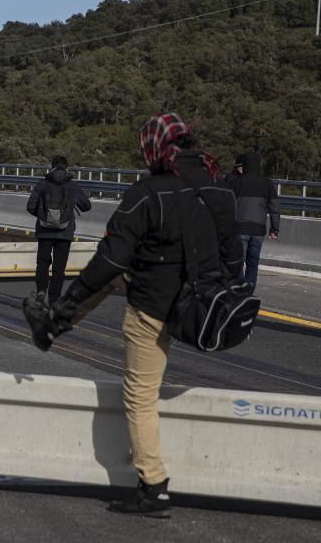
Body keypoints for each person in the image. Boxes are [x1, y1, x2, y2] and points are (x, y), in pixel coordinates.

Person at [23, 113, 242, 518]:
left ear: (154, 148)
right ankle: (55, 324)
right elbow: (233, 257)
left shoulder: (148, 192)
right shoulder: (221, 189)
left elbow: (108, 260)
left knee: (140, 395)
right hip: (202, 306)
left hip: (154, 307)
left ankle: (153, 487)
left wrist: (71, 298)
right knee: (115, 279)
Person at [26, 155, 92, 304]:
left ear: (52, 167)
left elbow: (30, 206)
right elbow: (87, 206)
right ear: (67, 167)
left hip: (44, 231)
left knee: (42, 263)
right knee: (59, 267)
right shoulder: (72, 185)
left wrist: (43, 216)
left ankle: (41, 292)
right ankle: (54, 299)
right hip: (65, 232)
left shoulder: (42, 184)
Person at [230, 151, 280, 292]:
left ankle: (239, 293)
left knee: (238, 263)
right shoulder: (267, 183)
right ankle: (248, 293)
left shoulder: (236, 182)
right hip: (258, 230)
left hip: (240, 229)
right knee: (252, 264)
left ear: (244, 165)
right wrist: (274, 229)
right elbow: (275, 207)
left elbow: (227, 205)